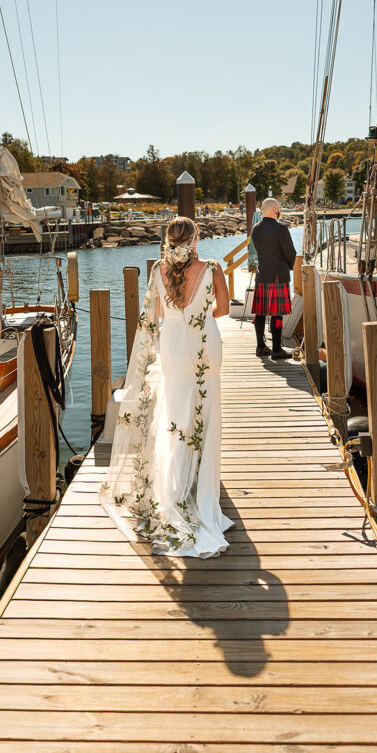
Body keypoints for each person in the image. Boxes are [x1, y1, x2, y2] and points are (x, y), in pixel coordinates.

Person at [100, 216, 233, 558]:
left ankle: (177, 482)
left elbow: (157, 310)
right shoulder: (214, 268)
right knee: (204, 408)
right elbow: (224, 309)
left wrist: (179, 314)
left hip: (172, 345)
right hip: (204, 345)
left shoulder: (159, 269)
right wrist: (198, 314)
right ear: (197, 238)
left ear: (168, 240)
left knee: (175, 408)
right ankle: (200, 483)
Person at [249, 197, 296, 360]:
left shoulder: (255, 229)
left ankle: (260, 347)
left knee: (260, 313)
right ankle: (277, 350)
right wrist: (289, 266)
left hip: (262, 275)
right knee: (277, 315)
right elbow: (291, 253)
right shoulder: (281, 229)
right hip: (278, 276)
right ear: (276, 210)